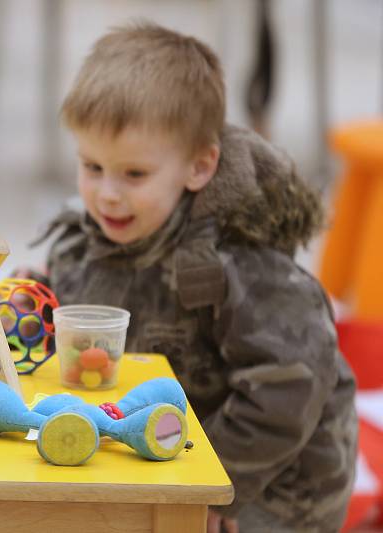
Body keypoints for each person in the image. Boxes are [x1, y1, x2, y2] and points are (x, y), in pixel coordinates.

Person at [33, 22, 357, 532]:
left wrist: (211, 492)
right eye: (92, 166)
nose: (107, 194)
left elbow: (287, 392)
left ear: (199, 167)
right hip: (164, 453)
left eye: (134, 174)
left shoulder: (243, 265)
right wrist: (39, 309)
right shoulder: (85, 241)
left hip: (272, 491)